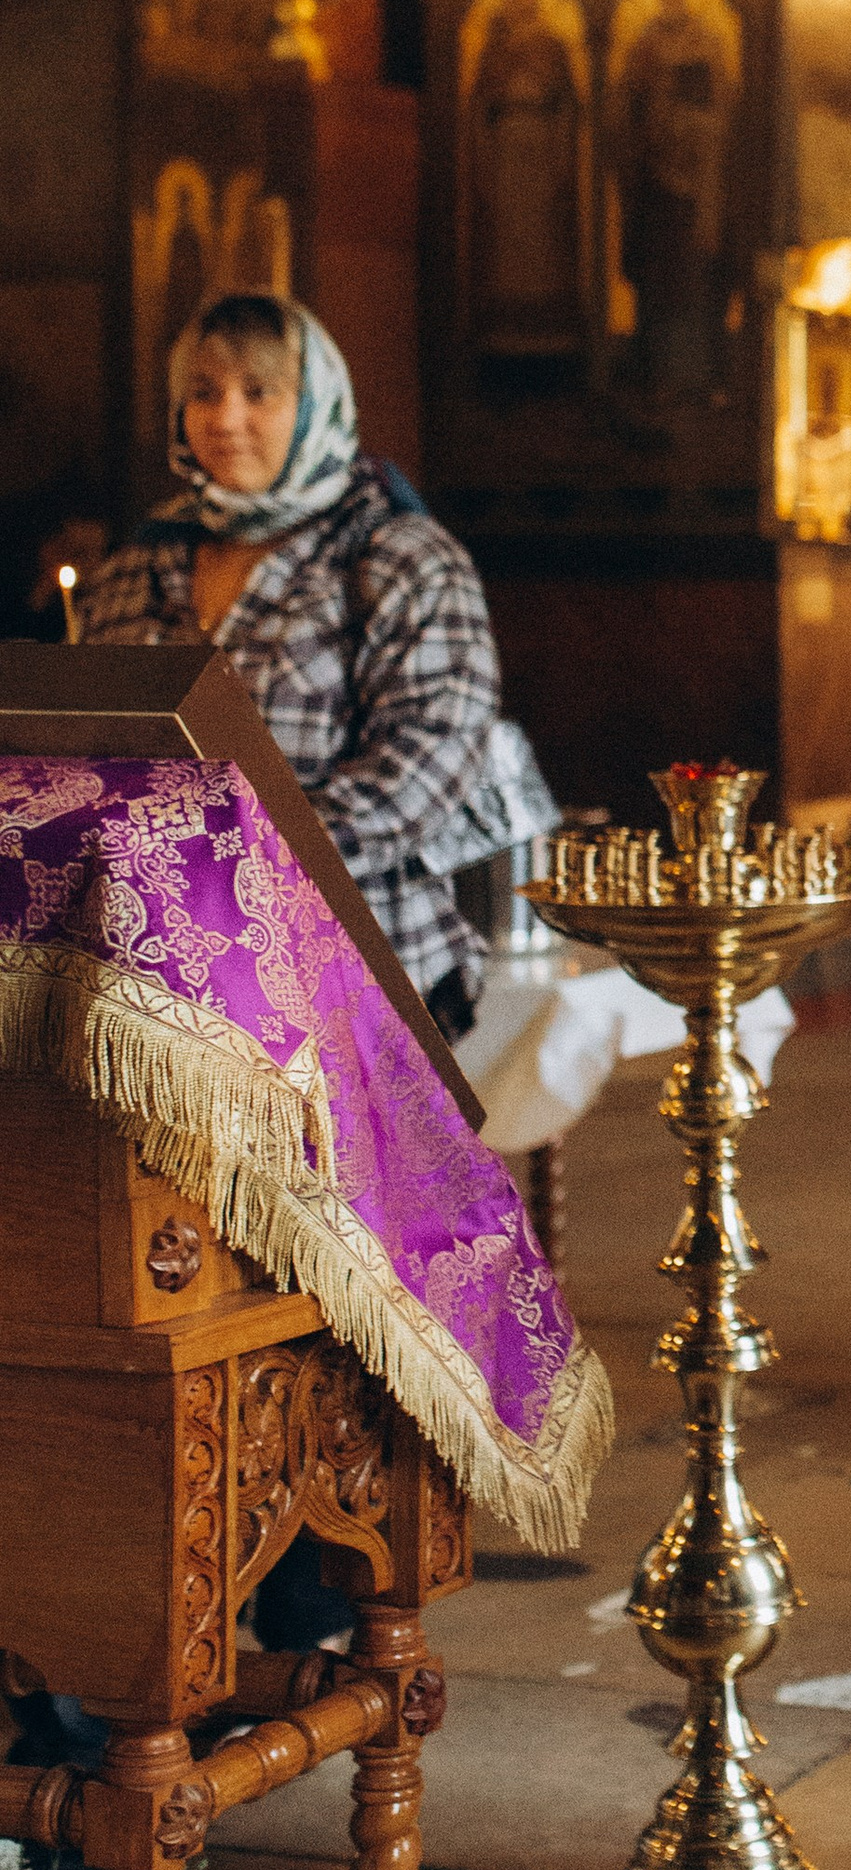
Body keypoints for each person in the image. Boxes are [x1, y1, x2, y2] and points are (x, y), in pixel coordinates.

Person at [75, 292, 519, 1667]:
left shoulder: (397, 553)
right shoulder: (149, 558)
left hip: (358, 979)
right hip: (188, 994)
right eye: (206, 395)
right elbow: (102, 737)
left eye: (259, 394)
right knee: (193, 1290)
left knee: (338, 1295)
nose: (229, 420)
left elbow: (432, 761)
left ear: (313, 397)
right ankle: (189, 1572)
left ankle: (337, 1574)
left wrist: (241, 863)